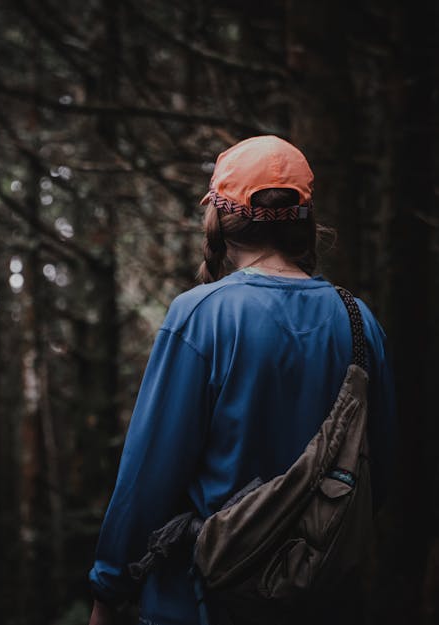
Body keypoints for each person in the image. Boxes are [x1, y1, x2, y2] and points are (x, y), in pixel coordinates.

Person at [88, 135, 397, 625]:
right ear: (305, 223)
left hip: (200, 600)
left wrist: (109, 590)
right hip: (321, 597)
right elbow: (378, 475)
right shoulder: (359, 322)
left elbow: (149, 476)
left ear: (220, 219)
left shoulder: (201, 316)